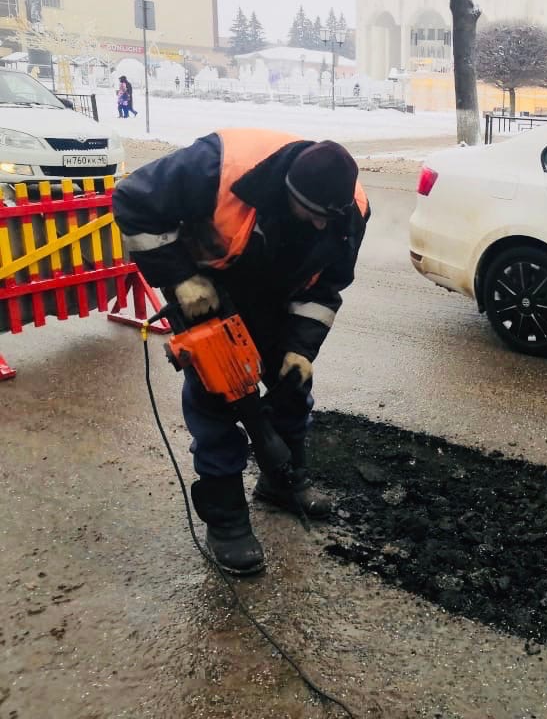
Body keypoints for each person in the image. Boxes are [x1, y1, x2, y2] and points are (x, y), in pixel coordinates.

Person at [112, 132, 370, 576]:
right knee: (218, 399)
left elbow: (327, 287)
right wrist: (180, 278)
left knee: (291, 387)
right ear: (289, 190)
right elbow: (132, 203)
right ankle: (226, 519)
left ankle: (282, 483)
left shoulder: (350, 212)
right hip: (209, 293)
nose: (322, 226)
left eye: (331, 217)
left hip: (276, 294)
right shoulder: (215, 167)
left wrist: (301, 348)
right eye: (313, 215)